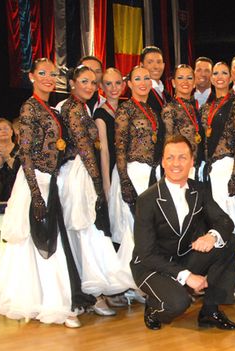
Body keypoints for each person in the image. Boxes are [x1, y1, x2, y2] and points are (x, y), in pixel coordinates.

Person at [0, 58, 94, 328]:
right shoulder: (29, 108)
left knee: (47, 243)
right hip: (35, 182)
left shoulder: (52, 110)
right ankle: (53, 305)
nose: (48, 77)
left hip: (51, 181)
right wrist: (36, 194)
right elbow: (25, 153)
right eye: (42, 73)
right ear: (32, 76)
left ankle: (51, 300)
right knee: (40, 243)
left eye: (52, 74)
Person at [131, 134, 235, 331]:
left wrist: (212, 235)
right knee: (178, 304)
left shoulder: (200, 190)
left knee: (230, 241)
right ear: (162, 162)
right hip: (152, 266)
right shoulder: (147, 200)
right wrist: (186, 275)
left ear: (192, 162)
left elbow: (224, 221)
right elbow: (145, 254)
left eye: (182, 157)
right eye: (170, 157)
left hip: (183, 256)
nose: (176, 163)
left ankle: (210, 310)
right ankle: (154, 306)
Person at [60, 65, 133, 317]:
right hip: (80, 175)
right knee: (86, 232)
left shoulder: (81, 107)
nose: (89, 86)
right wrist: (97, 182)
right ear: (72, 82)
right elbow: (84, 148)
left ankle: (97, 291)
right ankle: (92, 293)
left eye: (93, 82)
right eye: (85, 81)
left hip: (85, 173)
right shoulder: (71, 108)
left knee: (91, 233)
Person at [110, 65, 163, 293]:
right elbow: (119, 147)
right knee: (133, 229)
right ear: (129, 84)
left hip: (151, 174)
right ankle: (132, 283)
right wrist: (124, 180)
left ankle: (146, 280)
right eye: (137, 78)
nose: (143, 82)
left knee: (148, 230)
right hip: (132, 172)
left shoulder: (151, 110)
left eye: (147, 78)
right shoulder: (126, 111)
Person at [200, 61, 235, 246]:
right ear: (211, 78)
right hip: (211, 168)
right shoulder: (207, 107)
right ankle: (221, 256)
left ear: (230, 78)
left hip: (228, 166)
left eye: (224, 73)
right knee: (216, 214)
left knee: (232, 211)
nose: (219, 77)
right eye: (216, 73)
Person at [162, 64, 206, 180]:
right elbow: (168, 142)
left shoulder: (196, 108)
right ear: (173, 83)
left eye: (189, 78)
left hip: (198, 168)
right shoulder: (170, 109)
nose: (185, 81)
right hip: (180, 168)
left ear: (194, 82)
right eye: (180, 78)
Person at [93, 68, 126, 200]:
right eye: (108, 83)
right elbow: (104, 152)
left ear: (123, 85)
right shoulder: (100, 114)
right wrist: (107, 184)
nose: (114, 88)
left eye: (117, 83)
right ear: (101, 86)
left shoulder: (126, 108)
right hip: (113, 167)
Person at [141, 45, 171, 160]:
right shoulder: (141, 94)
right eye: (150, 62)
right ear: (142, 65)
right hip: (147, 155)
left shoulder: (167, 95)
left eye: (159, 62)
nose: (155, 66)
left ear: (163, 65)